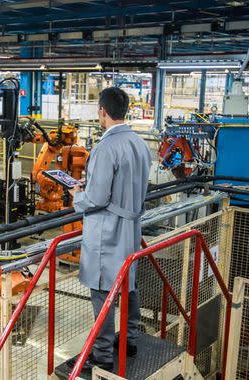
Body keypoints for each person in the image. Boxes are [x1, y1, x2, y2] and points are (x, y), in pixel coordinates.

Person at [67, 87, 152, 372]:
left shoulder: (105, 148)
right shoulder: (139, 143)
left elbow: (97, 198)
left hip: (108, 231)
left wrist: (78, 195)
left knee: (103, 292)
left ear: (102, 111)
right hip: (131, 227)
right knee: (129, 285)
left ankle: (102, 355)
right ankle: (129, 338)